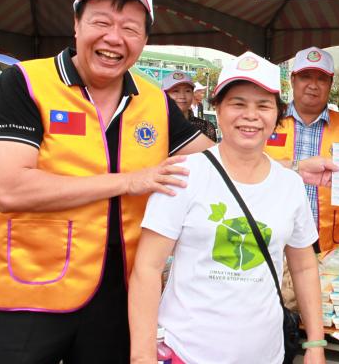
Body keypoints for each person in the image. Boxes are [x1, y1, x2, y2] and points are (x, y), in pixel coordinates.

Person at [0, 0, 215, 364]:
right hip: (28, 290)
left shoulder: (153, 101)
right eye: (101, 22)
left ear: (144, 40)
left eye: (130, 28)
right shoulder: (25, 83)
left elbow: (216, 162)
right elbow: (10, 188)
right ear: (76, 25)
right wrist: (128, 181)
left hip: (118, 296)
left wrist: (289, 170)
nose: (114, 38)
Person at [129, 52, 325, 364]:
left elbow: (304, 267)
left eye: (263, 105)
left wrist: (315, 343)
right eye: (238, 104)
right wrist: (141, 356)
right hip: (187, 352)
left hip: (266, 354)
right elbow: (147, 268)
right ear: (217, 110)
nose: (251, 116)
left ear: (277, 114)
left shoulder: (290, 185)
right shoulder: (184, 174)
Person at [264, 46, 339, 251]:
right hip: (273, 240)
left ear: (331, 83)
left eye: (321, 79)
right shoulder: (269, 119)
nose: (313, 85)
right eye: (305, 77)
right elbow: (248, 170)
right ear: (293, 79)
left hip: (331, 246)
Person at [162, 71, 218, 142]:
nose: (182, 96)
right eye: (175, 91)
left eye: (187, 91)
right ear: (164, 95)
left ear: (192, 94)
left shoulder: (206, 128)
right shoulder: (155, 126)